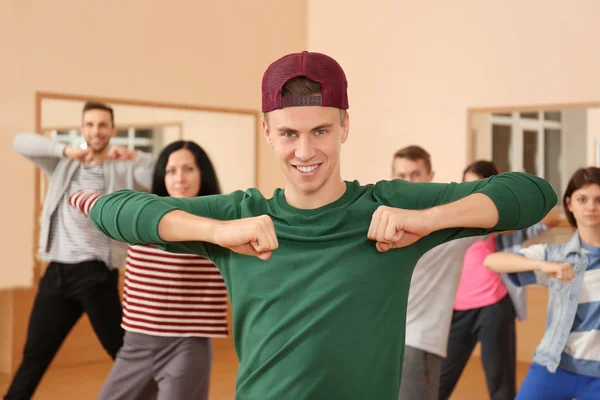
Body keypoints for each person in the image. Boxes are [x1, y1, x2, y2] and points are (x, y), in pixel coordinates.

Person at [87, 51, 557, 400]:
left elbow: (533, 194)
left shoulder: (389, 206)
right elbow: (115, 210)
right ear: (267, 131)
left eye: (321, 131)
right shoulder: (241, 215)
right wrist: (216, 232)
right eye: (289, 133)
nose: (306, 151)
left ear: (345, 126)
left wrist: (427, 219)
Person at [5, 101, 156, 400]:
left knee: (123, 353)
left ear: (112, 130)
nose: (96, 131)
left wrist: (136, 155)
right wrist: (64, 150)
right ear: (82, 128)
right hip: (56, 275)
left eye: (102, 125)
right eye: (89, 124)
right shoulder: (64, 164)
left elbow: (160, 175)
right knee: (34, 356)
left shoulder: (123, 167)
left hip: (95, 273)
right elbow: (19, 143)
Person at [69, 140, 227, 400]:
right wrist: (138, 158)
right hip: (136, 344)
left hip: (187, 345)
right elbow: (81, 197)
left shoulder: (219, 220)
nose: (179, 178)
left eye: (188, 169)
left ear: (203, 174)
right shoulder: (141, 214)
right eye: (170, 170)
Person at [438, 160, 560, 400]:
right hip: (458, 307)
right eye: (466, 186)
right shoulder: (450, 218)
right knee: (440, 380)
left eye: (477, 187)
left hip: (494, 305)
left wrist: (502, 218)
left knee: (500, 382)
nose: (470, 193)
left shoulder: (505, 225)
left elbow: (552, 217)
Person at [484, 167, 600, 400]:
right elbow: (492, 261)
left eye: (599, 200)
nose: (591, 207)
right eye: (582, 199)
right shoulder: (556, 255)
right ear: (569, 204)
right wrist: (542, 266)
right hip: (554, 365)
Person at [392, 145, 482, 400]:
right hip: (383, 343)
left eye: (415, 174)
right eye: (401, 176)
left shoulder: (450, 227)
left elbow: (507, 220)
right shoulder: (383, 223)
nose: (408, 183)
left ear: (430, 176)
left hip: (419, 342)